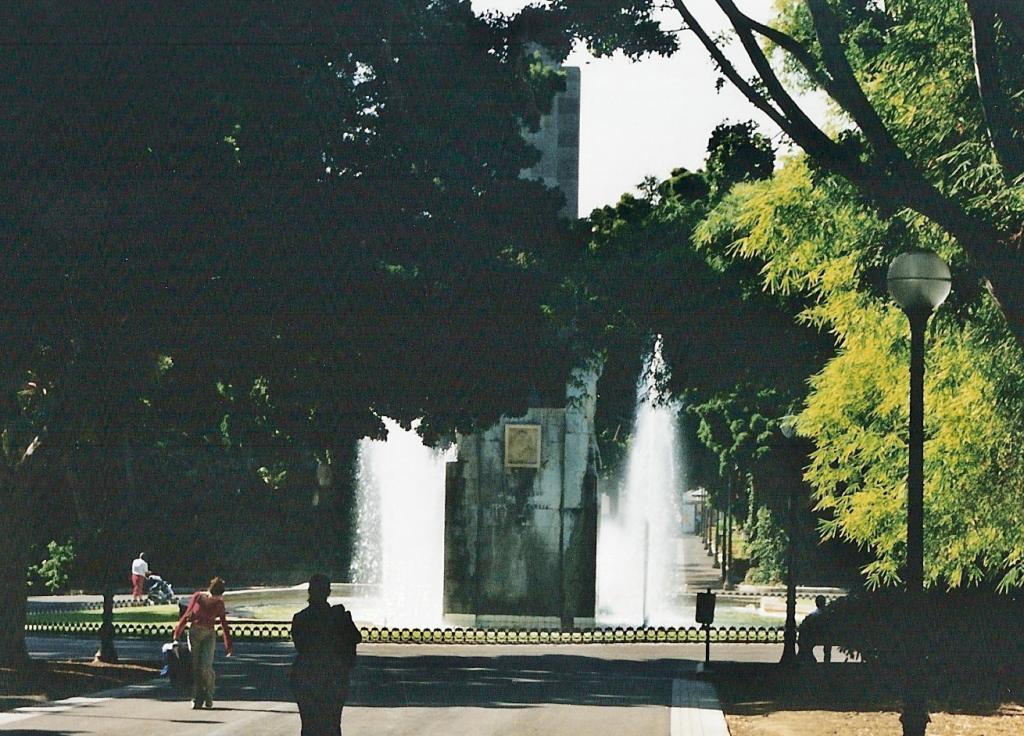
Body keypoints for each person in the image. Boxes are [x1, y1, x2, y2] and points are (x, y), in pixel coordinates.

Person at [290, 574, 361, 736]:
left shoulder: (300, 618)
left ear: (309, 591)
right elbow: (356, 637)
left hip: (306, 675)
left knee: (309, 725)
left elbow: (300, 646)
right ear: (328, 592)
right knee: (332, 724)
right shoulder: (338, 616)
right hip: (333, 676)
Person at [173, 576, 233, 709]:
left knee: (206, 667)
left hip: (209, 635)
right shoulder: (198, 597)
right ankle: (196, 698)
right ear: (209, 592)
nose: (215, 599)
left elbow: (224, 624)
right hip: (194, 632)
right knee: (195, 667)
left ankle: (209, 695)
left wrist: (228, 644)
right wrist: (177, 634)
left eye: (218, 597)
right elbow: (187, 615)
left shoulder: (219, 603)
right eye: (213, 596)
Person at [798, 594, 832, 663]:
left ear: (816, 603)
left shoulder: (814, 615)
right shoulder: (828, 614)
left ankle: (804, 658)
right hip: (826, 636)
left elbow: (804, 626)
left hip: (816, 636)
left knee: (804, 641)